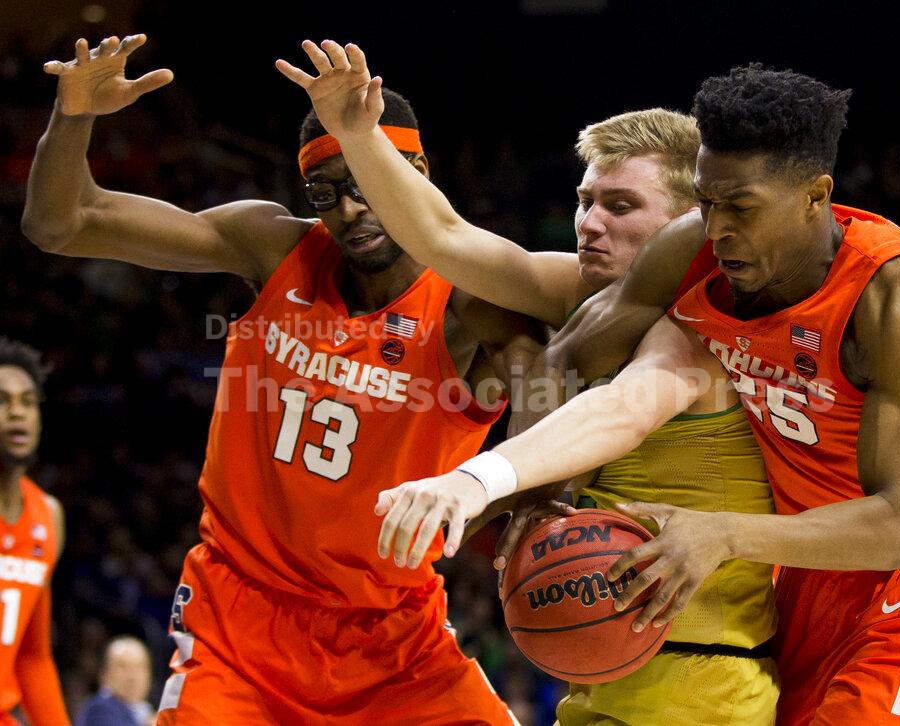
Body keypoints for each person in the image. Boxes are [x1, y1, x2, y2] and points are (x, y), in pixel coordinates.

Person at [376, 64, 900, 726]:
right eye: (707, 203)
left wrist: (724, 533)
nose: (719, 227)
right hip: (802, 571)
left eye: (741, 207)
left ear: (815, 195)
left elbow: (897, 527)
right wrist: (537, 493)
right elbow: (571, 363)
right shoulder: (696, 248)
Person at [23, 34, 540, 724]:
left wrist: (524, 497)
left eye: (362, 185)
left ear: (413, 170)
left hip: (390, 634)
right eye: (325, 193)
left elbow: (553, 396)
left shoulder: (471, 301)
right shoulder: (274, 246)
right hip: (239, 622)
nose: (348, 211)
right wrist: (73, 116)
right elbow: (62, 223)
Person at [277, 41, 778, 724]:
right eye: (585, 201)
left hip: (705, 675)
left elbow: (622, 410)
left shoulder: (713, 318)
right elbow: (443, 237)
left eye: (621, 205)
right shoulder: (575, 292)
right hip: (601, 673)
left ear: (687, 221)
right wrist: (358, 137)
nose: (590, 223)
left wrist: (479, 481)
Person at [0, 338, 69, 726]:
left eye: (27, 402)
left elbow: (33, 657)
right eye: (2, 401)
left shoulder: (48, 516)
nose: (17, 412)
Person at [75, 636, 154, 726]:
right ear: (104, 674)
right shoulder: (99, 710)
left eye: (140, 667)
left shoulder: (144, 711)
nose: (133, 676)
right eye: (123, 666)